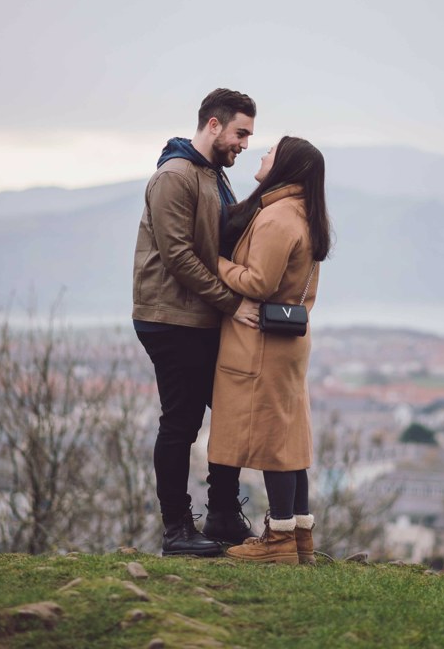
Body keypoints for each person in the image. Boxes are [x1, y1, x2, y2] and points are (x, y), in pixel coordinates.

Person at [132, 88, 259, 556]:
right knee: (181, 425)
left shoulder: (213, 177)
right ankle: (177, 530)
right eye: (240, 133)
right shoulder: (175, 176)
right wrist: (231, 302)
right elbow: (179, 256)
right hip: (168, 318)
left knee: (229, 412)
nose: (243, 144)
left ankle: (223, 513)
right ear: (213, 125)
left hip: (200, 317)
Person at [208, 135, 332, 564]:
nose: (261, 155)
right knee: (291, 437)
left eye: (271, 152)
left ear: (287, 168)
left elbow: (258, 283)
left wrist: (215, 262)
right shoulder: (301, 213)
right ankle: (298, 535)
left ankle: (278, 541)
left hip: (262, 345)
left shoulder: (278, 218)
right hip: (286, 344)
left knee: (276, 441)